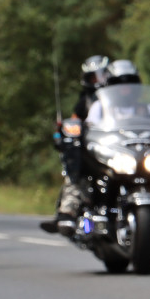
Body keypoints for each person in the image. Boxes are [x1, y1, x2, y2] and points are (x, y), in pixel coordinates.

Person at [41, 56, 109, 235]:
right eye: (93, 77)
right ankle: (66, 214)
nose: (98, 81)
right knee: (75, 170)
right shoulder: (85, 101)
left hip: (119, 149)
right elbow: (73, 121)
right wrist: (64, 131)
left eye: (101, 76)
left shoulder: (124, 97)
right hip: (94, 148)